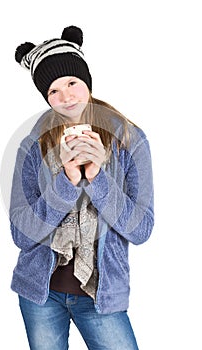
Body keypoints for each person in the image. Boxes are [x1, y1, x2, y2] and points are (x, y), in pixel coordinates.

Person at [10, 25, 154, 350]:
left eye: (72, 83)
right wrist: (68, 181)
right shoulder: (32, 146)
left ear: (86, 81)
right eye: (53, 92)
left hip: (101, 296)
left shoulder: (131, 140)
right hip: (39, 294)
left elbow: (141, 229)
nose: (66, 97)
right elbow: (21, 235)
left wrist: (100, 176)